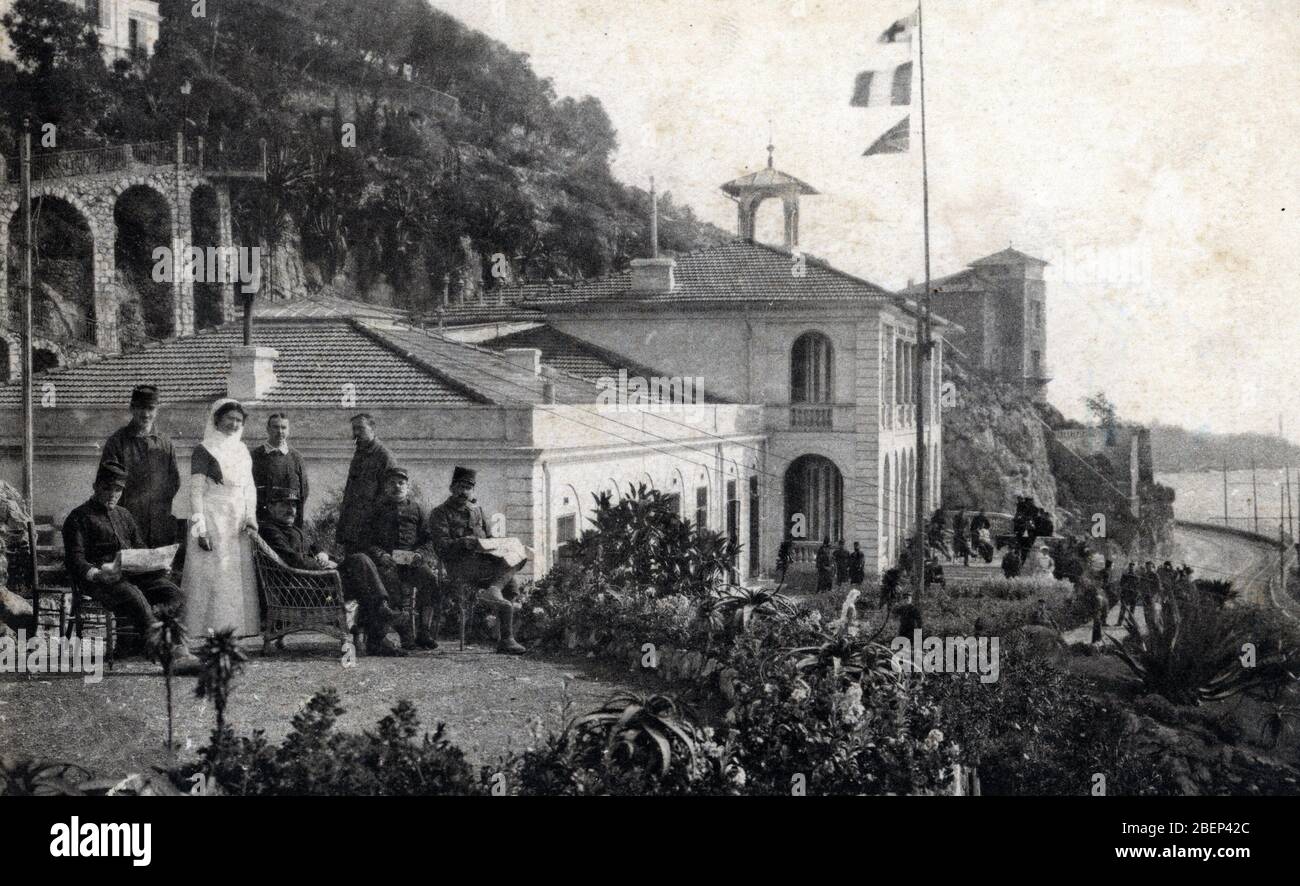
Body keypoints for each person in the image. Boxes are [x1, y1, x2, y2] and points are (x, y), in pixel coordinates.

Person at [62, 461, 196, 669]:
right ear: (95, 486)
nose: (112, 494)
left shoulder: (124, 515)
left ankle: (178, 648)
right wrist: (97, 574)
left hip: (133, 575)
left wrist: (157, 564)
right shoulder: (78, 517)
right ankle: (169, 658)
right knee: (134, 596)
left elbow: (140, 549)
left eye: (118, 489)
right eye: (107, 488)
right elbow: (75, 559)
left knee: (176, 595)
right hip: (101, 581)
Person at [259, 488, 403, 655]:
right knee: (360, 561)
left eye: (293, 505)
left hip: (320, 584)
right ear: (270, 507)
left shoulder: (295, 530)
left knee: (367, 572)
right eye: (284, 504)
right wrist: (323, 566)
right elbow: (292, 559)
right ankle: (381, 619)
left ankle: (379, 630)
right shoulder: (270, 530)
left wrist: (324, 554)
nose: (291, 509)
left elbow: (314, 547)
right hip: (301, 590)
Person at [182, 399, 260, 638]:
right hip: (212, 514)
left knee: (234, 571)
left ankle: (237, 626)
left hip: (237, 518)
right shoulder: (204, 449)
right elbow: (195, 491)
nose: (235, 424)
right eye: (230, 419)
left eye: (239, 420)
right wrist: (200, 529)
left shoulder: (242, 450)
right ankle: (206, 626)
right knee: (213, 571)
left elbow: (250, 488)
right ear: (217, 420)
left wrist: (250, 516)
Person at [429, 467, 526, 654]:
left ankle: (505, 635)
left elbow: (489, 537)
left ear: (472, 491)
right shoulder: (440, 513)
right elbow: (441, 547)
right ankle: (506, 635)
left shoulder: (478, 511)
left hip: (485, 563)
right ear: (451, 488)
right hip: (460, 566)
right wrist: (463, 542)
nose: (463, 491)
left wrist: (499, 544)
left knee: (518, 558)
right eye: (460, 486)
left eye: (468, 487)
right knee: (508, 578)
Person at [349, 467, 444, 652]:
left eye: (401, 483)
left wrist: (420, 555)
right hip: (386, 563)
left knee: (430, 581)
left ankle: (424, 632)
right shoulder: (376, 510)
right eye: (392, 483)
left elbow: (429, 539)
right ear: (385, 487)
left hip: (412, 562)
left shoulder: (417, 509)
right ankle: (403, 636)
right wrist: (381, 555)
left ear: (407, 487)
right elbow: (365, 541)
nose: (397, 486)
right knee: (392, 586)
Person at [100, 385, 181, 549]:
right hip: (127, 520)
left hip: (159, 522)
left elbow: (174, 481)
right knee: (130, 569)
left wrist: (160, 507)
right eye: (140, 408)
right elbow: (107, 483)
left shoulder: (165, 442)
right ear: (131, 408)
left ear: (157, 410)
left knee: (158, 569)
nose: (146, 414)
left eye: (150, 408)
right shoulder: (117, 441)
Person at [336, 414, 397, 555]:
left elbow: (389, 495)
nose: (356, 433)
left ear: (372, 429)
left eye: (361, 428)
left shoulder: (384, 456)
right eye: (354, 429)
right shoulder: (359, 454)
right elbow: (350, 491)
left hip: (372, 529)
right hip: (353, 527)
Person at [251, 413, 309, 528]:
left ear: (288, 431)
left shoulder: (296, 458)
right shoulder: (255, 456)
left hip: (289, 523)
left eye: (283, 428)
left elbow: (304, 492)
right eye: (276, 427)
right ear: (268, 429)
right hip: (262, 522)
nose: (280, 431)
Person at [1116, 562, 1139, 626]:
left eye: (1133, 567)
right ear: (1129, 568)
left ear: (1134, 568)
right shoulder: (1125, 575)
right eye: (1130, 567)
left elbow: (1138, 586)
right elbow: (1121, 584)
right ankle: (1119, 622)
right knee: (1123, 608)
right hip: (1126, 594)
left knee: (1132, 610)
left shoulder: (1136, 576)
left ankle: (1130, 623)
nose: (1131, 568)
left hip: (1133, 595)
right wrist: (1125, 587)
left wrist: (1136, 594)